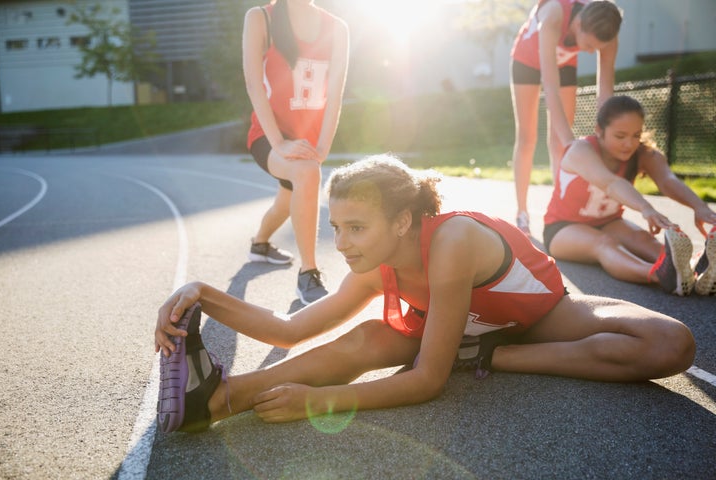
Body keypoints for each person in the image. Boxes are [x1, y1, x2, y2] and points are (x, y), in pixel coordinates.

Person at [155, 155, 695, 434]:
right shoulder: (374, 266)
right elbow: (289, 329)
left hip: (534, 318)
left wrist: (320, 402)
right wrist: (199, 293)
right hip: (441, 327)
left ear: (402, 220)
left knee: (671, 344)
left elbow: (427, 382)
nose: (341, 244)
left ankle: (491, 356)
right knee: (366, 339)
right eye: (336, 227)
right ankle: (219, 399)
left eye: (356, 228)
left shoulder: (454, 240)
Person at [543, 95, 716, 296]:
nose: (629, 144)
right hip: (562, 228)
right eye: (620, 136)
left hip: (608, 221)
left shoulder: (642, 153)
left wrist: (699, 207)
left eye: (636, 135)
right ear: (600, 131)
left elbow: (668, 181)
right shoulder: (580, 150)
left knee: (643, 239)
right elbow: (611, 183)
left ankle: (696, 271)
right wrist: (646, 208)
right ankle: (660, 275)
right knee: (604, 243)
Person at [243, 0, 349, 304]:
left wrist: (323, 147)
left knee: (287, 200)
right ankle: (309, 272)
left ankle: (259, 244)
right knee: (306, 173)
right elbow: (254, 84)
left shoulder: (337, 28)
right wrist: (279, 143)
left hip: (307, 140)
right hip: (268, 135)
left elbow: (335, 92)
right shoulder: (261, 17)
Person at [510, 0, 622, 234]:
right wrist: (574, 147)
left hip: (564, 63)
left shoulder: (608, 31)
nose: (591, 52)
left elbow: (605, 91)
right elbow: (550, 88)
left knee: (559, 143)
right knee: (528, 138)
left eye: (596, 47)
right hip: (527, 59)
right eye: (589, 44)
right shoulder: (554, 15)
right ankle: (522, 212)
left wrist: (605, 136)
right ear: (578, 23)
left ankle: (559, 210)